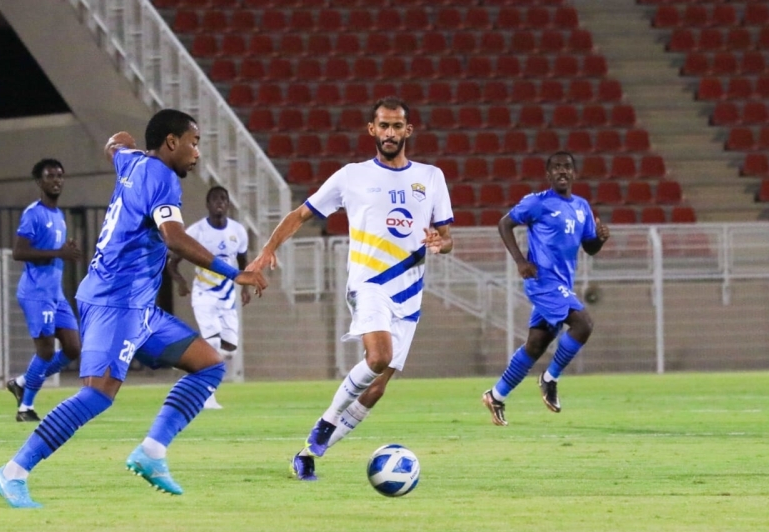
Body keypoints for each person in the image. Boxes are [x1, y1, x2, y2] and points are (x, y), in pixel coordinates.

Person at [0, 109, 267, 508]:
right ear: (171, 142)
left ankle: (152, 453)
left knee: (208, 364)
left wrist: (124, 146)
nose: (197, 153)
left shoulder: (132, 161)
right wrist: (232, 272)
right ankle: (13, 472)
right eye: (194, 142)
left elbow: (116, 142)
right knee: (98, 395)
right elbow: (174, 238)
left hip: (135, 305)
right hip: (114, 301)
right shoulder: (164, 180)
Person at [249, 96, 454, 481]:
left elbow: (446, 236)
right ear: (371, 130)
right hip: (369, 282)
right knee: (378, 357)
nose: (390, 133)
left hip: (409, 293)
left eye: (397, 126)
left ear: (408, 131)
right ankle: (326, 422)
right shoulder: (351, 176)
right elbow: (301, 214)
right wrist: (267, 250)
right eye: (383, 126)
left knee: (376, 389)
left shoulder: (431, 177)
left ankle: (308, 453)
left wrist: (442, 244)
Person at [481, 151, 611, 427]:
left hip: (562, 284)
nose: (562, 172)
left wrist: (599, 240)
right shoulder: (537, 203)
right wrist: (520, 261)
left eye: (567, 167)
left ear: (574, 173)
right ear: (548, 175)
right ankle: (550, 378)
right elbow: (505, 223)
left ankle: (496, 395)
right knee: (583, 324)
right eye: (556, 168)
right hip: (542, 281)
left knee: (536, 344)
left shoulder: (581, 207)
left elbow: (589, 247)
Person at [5, 158, 84, 422]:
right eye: (50, 176)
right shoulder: (33, 213)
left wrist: (64, 252)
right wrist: (58, 252)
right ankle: (25, 407)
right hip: (36, 293)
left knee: (74, 348)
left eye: (60, 175)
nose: (57, 180)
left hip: (55, 294)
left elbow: (54, 253)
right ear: (40, 182)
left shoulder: (58, 216)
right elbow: (19, 252)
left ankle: (22, 381)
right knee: (46, 352)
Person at [172, 185, 251, 409]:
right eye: (215, 199)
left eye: (224, 199)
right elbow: (173, 262)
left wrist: (244, 288)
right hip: (203, 294)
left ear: (228, 204)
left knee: (230, 347)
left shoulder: (238, 231)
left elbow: (243, 261)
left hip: (227, 296)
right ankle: (207, 395)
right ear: (207, 204)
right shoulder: (196, 232)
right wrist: (181, 283)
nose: (220, 202)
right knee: (213, 340)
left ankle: (191, 362)